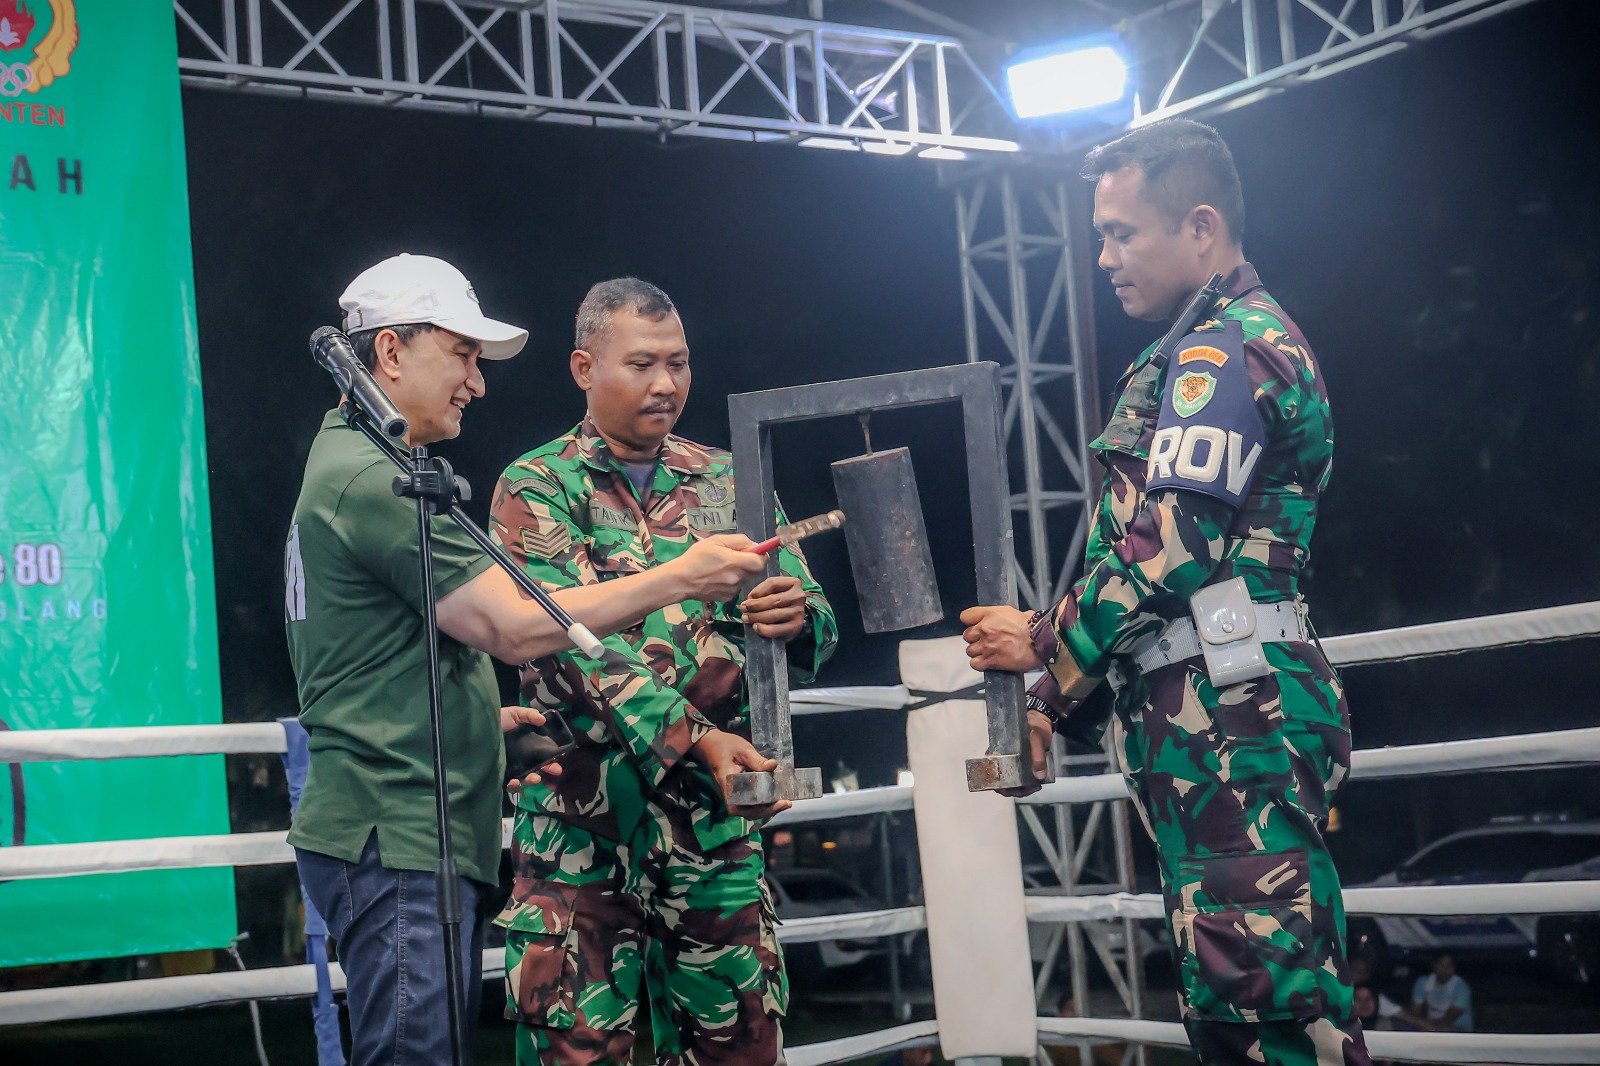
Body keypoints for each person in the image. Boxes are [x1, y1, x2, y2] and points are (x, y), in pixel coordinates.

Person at [284, 254, 767, 1065]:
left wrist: (482, 720)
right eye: (461, 355)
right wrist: (681, 576)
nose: (476, 382)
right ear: (391, 352)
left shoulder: (363, 465)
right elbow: (513, 628)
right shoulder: (373, 481)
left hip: (407, 829)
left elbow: (385, 655)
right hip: (396, 832)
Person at [959, 121, 1371, 1065]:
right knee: (1236, 1006)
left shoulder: (1227, 351)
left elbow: (1174, 548)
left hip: (1236, 721)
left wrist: (1044, 646)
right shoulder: (1198, 348)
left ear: (1200, 226)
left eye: (1121, 234)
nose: (1103, 258)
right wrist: (1051, 697)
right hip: (1211, 717)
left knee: (1270, 1012)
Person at [488, 277, 837, 1065]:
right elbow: (570, 647)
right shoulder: (537, 485)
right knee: (576, 1052)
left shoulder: (731, 480)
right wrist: (700, 739)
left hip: (713, 829)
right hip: (581, 828)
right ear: (584, 368)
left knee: (739, 1048)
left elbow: (813, 609)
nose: (666, 384)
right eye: (642, 364)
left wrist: (795, 615)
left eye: (678, 363)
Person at [1403, 954, 1473, 1032]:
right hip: (1431, 1025)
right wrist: (1417, 1023)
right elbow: (1415, 1011)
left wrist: (1426, 1025)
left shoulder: (1461, 987)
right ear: (1434, 966)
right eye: (1441, 965)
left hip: (1459, 1028)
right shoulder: (1423, 982)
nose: (1445, 969)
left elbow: (1449, 1018)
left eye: (1449, 966)